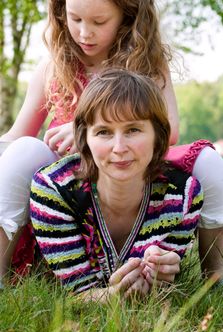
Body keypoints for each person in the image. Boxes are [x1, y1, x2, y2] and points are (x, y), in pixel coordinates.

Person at [0, 0, 223, 288]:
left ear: (128, 15)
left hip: (134, 160)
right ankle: (3, 269)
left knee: (209, 161)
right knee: (22, 152)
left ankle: (216, 271)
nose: (85, 33)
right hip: (72, 173)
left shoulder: (147, 61)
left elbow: (169, 128)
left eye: (99, 22)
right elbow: (16, 135)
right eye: (75, 19)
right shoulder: (54, 67)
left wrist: (91, 127)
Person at [30, 69, 204, 299]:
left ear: (158, 135)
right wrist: (113, 295)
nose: (119, 148)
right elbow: (77, 294)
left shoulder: (183, 196)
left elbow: (158, 285)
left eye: (133, 130)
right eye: (103, 132)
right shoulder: (54, 190)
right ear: (85, 139)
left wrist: (161, 273)